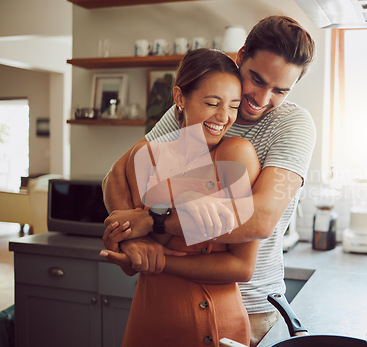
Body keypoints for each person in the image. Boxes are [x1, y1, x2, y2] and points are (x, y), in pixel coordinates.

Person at [101, 15, 316, 346]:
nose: (261, 98)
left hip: (254, 309)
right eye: (257, 80)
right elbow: (117, 175)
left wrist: (152, 221)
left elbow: (258, 219)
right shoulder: (197, 107)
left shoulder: (292, 125)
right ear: (240, 57)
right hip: (173, 302)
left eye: (279, 91)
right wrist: (133, 242)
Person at [105, 48, 261, 346]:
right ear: (180, 98)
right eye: (212, 103)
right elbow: (138, 255)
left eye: (233, 105)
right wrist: (125, 243)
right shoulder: (147, 155)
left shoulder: (237, 153)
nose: (224, 116)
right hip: (151, 321)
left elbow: (242, 267)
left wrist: (161, 257)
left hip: (220, 322)